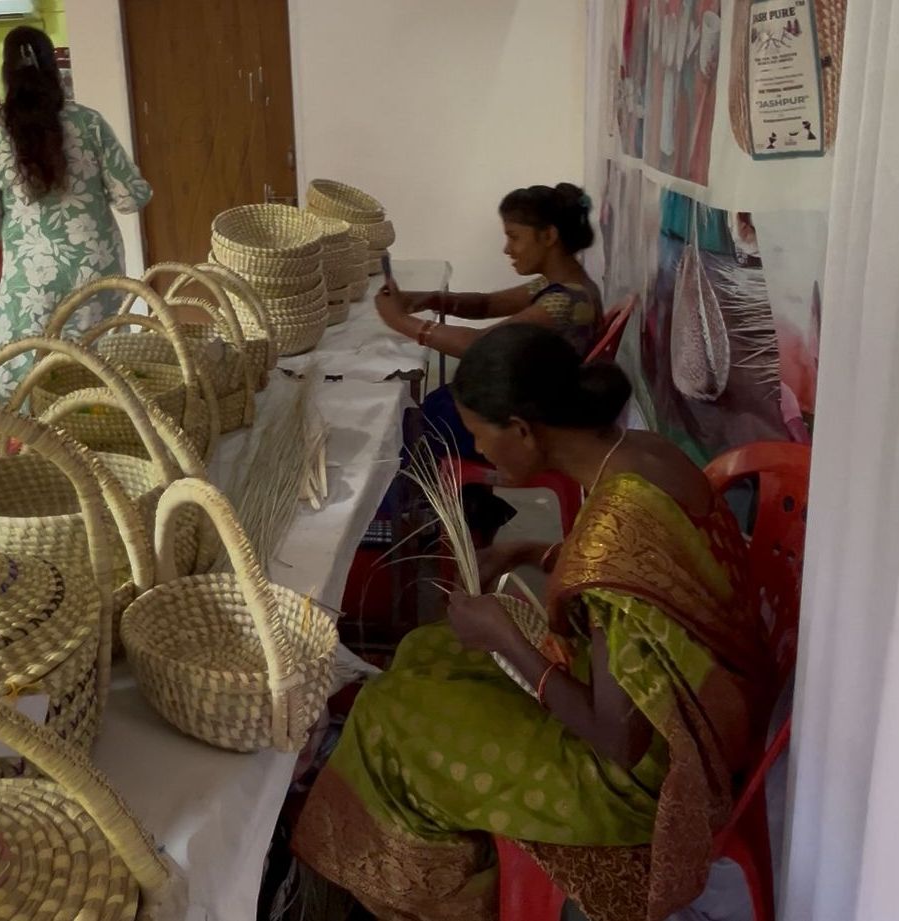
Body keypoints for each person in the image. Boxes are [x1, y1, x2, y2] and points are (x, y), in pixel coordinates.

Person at [292, 326, 773, 921]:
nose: (479, 448)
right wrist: (531, 553)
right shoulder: (643, 455)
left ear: (522, 429)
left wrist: (509, 640)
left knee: (389, 720)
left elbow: (619, 743)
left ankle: (434, 897)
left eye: (479, 433)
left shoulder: (613, 537)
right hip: (710, 705)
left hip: (654, 780)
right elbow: (651, 587)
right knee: (426, 649)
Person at [0, 26, 152, 400]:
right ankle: (105, 428)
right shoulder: (89, 122)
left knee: (27, 372)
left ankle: (33, 434)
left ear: (6, 73)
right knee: (100, 364)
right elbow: (131, 197)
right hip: (95, 267)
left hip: (29, 276)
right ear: (54, 69)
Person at [374, 183, 603, 360]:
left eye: (514, 237)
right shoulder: (563, 285)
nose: (507, 249)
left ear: (548, 236)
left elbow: (481, 346)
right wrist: (428, 299)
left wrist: (398, 320)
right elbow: (488, 304)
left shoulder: (565, 302)